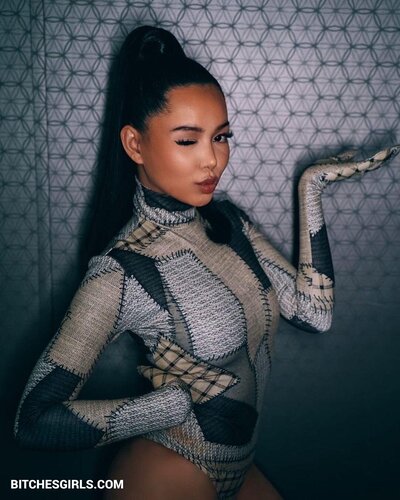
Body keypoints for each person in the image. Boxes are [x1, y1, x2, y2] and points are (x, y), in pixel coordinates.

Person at [13, 25, 399, 500]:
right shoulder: (121, 271)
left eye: (221, 137)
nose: (212, 161)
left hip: (240, 470)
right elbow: (33, 421)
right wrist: (165, 408)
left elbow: (313, 314)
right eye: (187, 141)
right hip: (164, 474)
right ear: (135, 145)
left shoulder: (229, 222)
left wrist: (311, 187)